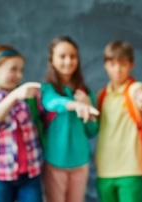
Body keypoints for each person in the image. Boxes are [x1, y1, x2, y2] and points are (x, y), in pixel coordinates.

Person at [95, 40, 142, 202]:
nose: (117, 69)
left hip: (131, 169)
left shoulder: (134, 88)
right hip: (104, 171)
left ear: (131, 65)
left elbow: (139, 93)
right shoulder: (102, 95)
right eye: (112, 64)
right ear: (105, 65)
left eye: (122, 64)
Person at [41, 35, 99, 202]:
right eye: (62, 56)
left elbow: (92, 131)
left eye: (72, 57)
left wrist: (87, 105)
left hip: (80, 162)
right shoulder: (47, 89)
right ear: (51, 59)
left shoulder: (85, 93)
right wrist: (76, 105)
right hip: (55, 161)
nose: (68, 61)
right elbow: (52, 103)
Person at [0, 44, 43, 202]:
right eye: (13, 69)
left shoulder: (26, 96)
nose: (19, 75)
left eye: (21, 70)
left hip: (30, 173)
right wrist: (13, 97)